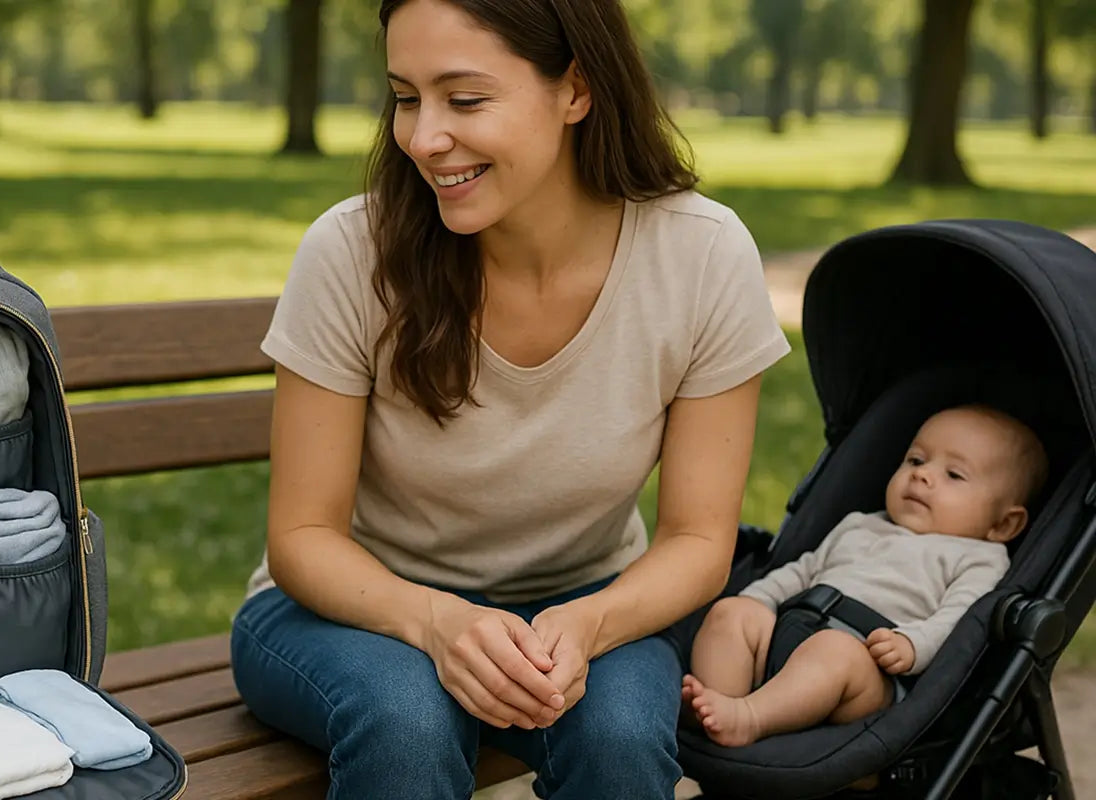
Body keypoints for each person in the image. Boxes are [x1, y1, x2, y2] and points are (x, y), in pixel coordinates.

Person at [226, 0, 791, 797]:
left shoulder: (700, 256)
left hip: (592, 599)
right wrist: (436, 622)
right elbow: (302, 535)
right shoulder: (353, 253)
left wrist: (587, 623)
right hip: (357, 609)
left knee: (623, 739)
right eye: (405, 97)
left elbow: (701, 539)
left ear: (577, 90)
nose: (423, 138)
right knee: (407, 722)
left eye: (464, 99)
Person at [683, 404, 1048, 748]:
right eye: (915, 460)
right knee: (731, 612)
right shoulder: (861, 524)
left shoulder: (979, 558)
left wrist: (913, 644)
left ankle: (750, 717)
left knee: (835, 652)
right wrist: (758, 601)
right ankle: (719, 703)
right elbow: (804, 570)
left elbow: (960, 620)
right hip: (792, 632)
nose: (922, 474)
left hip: (867, 673)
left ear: (1003, 524)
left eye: (954, 474)